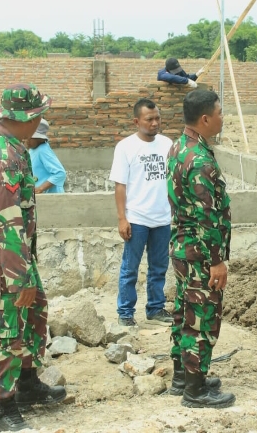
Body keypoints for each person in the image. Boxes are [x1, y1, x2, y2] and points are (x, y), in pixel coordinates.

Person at [0, 83, 66, 432]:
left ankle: (26, 383)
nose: (41, 121)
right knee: (4, 329)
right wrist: (20, 277)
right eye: (39, 115)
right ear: (25, 118)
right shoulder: (4, 156)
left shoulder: (2, 143)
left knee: (33, 312)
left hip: (12, 255)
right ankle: (4, 409)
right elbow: (6, 221)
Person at [166, 89, 235, 408]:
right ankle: (195, 390)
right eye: (220, 113)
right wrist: (217, 261)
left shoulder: (179, 147)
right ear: (205, 119)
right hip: (200, 254)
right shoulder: (201, 161)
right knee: (202, 318)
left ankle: (183, 377)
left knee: (184, 313)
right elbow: (207, 216)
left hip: (183, 247)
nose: (223, 118)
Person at [109, 98, 173, 327]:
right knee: (130, 269)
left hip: (162, 218)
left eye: (157, 118)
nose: (155, 123)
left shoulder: (167, 144)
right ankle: (125, 312)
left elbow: (172, 180)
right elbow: (120, 186)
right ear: (137, 121)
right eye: (149, 119)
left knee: (159, 268)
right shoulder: (125, 147)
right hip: (136, 219)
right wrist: (122, 218)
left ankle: (155, 309)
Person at [25, 119, 66, 193]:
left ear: (40, 139)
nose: (27, 140)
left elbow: (60, 173)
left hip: (52, 196)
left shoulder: (43, 150)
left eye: (30, 137)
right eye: (26, 136)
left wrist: (41, 188)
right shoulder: (32, 149)